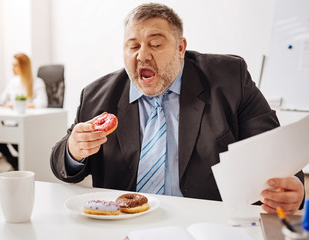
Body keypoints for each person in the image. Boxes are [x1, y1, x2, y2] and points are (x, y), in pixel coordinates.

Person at [50, 3, 304, 214]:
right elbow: (63, 167)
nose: (142, 55)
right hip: (125, 224)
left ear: (181, 48)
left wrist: (293, 187)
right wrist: (74, 150)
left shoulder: (229, 79)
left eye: (156, 44)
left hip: (207, 222)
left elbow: (274, 150)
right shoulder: (97, 96)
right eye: (133, 46)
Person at [0, 53, 48, 170]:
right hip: (11, 122)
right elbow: (2, 100)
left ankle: (24, 164)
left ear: (24, 66)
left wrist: (19, 104)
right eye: (12, 65)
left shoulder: (37, 82)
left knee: (18, 140)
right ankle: (15, 163)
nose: (12, 68)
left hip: (28, 124)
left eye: (15, 65)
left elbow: (42, 103)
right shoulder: (13, 82)